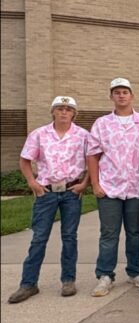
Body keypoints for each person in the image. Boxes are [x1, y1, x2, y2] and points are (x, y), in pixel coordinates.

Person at [7, 96, 90, 304]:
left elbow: (93, 160)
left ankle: (68, 280)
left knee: (69, 237)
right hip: (47, 192)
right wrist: (32, 182)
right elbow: (25, 160)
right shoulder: (39, 134)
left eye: (68, 109)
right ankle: (28, 283)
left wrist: (85, 183)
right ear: (53, 112)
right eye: (60, 108)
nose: (64, 112)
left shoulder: (83, 135)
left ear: (74, 113)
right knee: (39, 237)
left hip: (71, 191)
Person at [88, 78, 139, 297]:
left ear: (132, 95)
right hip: (109, 187)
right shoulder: (101, 123)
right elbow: (92, 155)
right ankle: (105, 275)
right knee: (109, 233)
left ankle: (135, 271)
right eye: (117, 92)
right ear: (111, 96)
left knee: (135, 232)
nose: (121, 95)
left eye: (125, 92)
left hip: (137, 187)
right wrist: (95, 184)